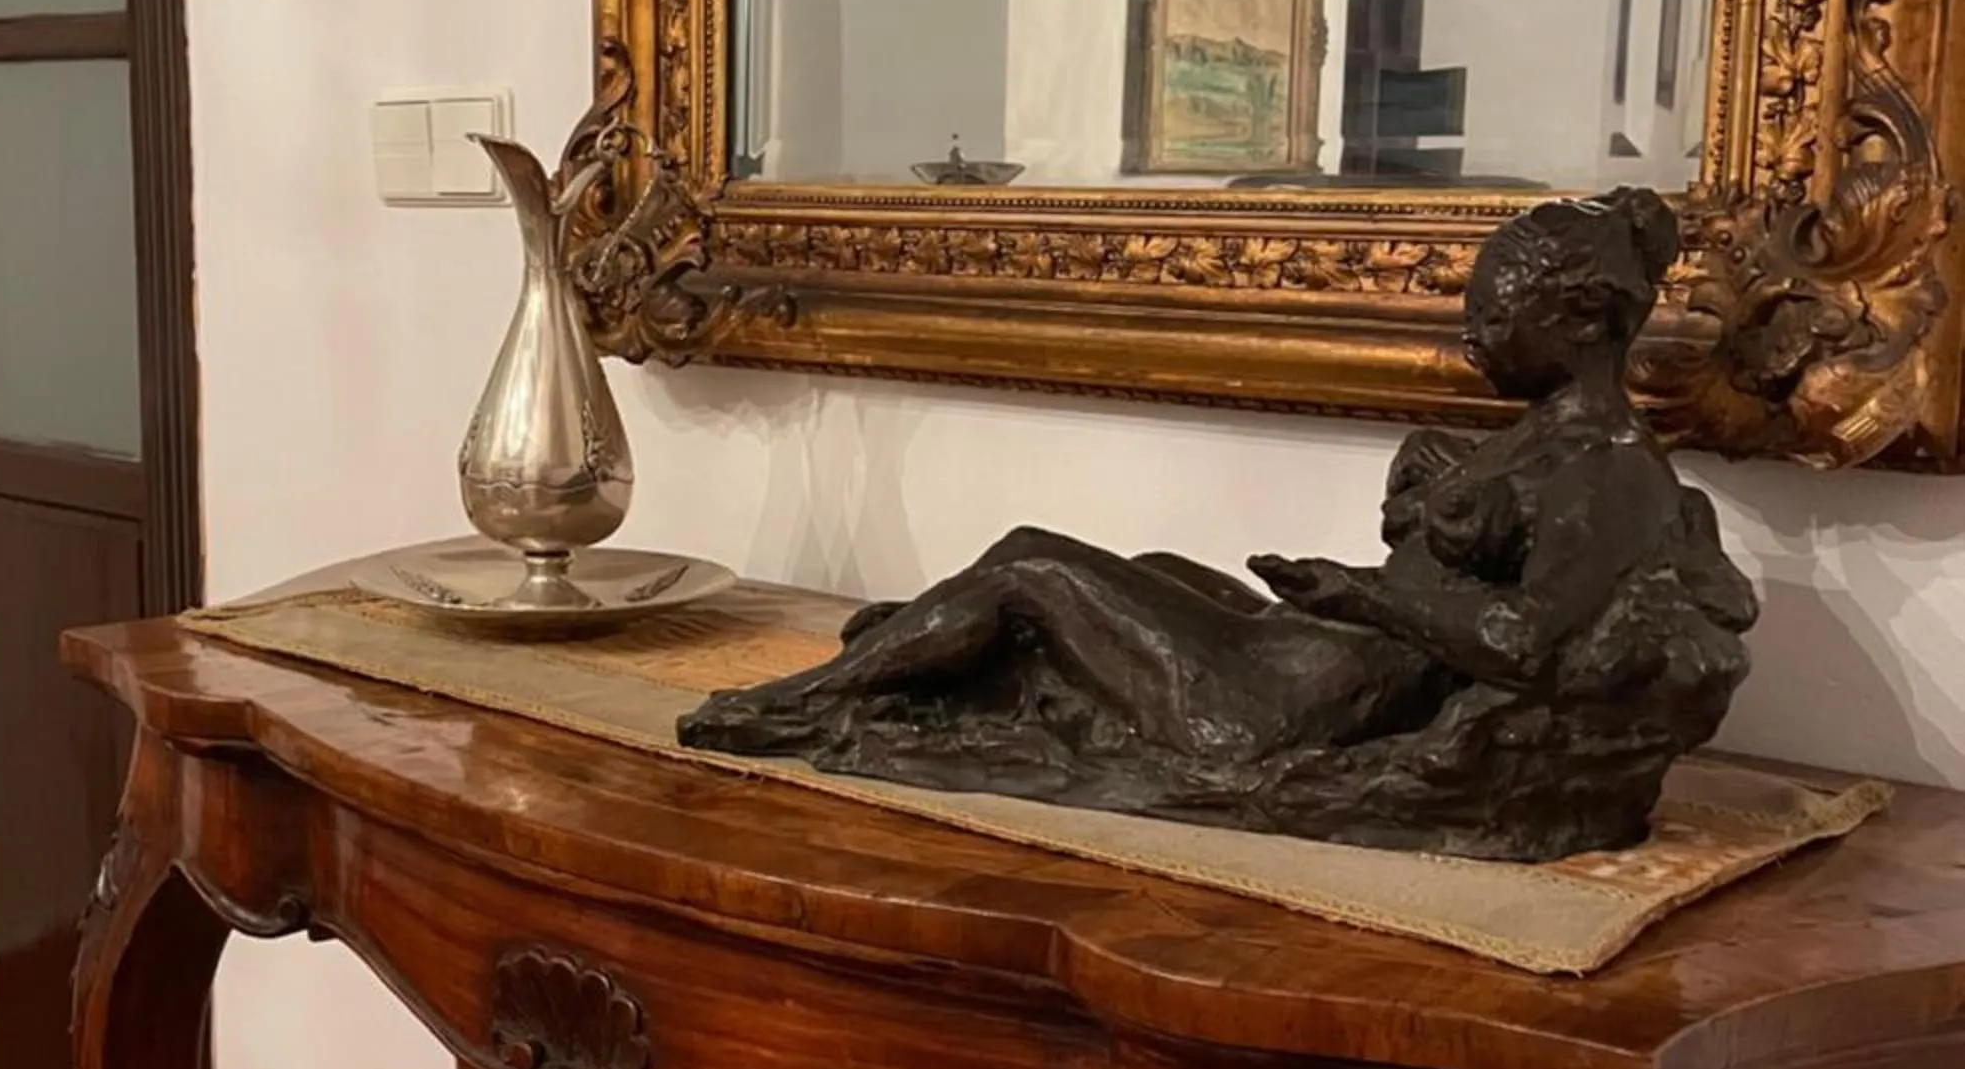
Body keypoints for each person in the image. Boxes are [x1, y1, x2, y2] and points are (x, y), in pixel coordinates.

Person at [679, 189, 1757, 860]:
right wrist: (1419, 502)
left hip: (1280, 711)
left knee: (1031, 567)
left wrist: (1364, 591)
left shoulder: (1604, 474)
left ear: (1576, 321)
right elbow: (1461, 563)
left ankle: (788, 706)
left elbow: (1525, 644)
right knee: (1148, 568)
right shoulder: (1542, 442)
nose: (1471, 332)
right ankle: (929, 652)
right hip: (1316, 661)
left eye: (1492, 314)